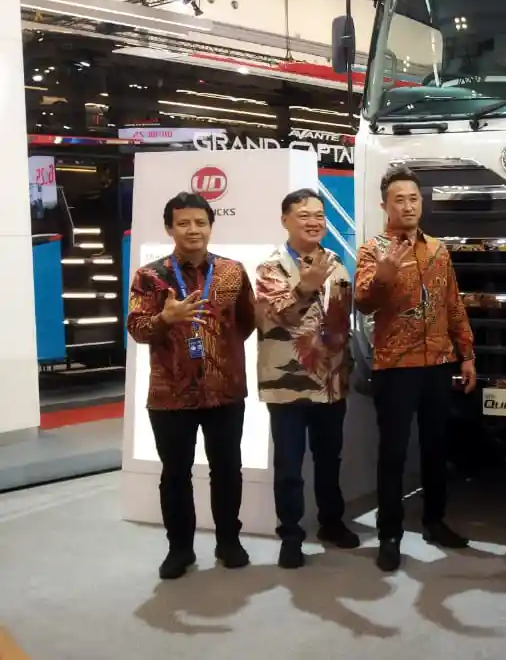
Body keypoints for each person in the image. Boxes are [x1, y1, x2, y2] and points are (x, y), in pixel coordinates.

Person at [125, 192, 257, 580]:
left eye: (200, 222)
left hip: (225, 390)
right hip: (170, 394)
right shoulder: (150, 276)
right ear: (170, 228)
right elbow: (136, 329)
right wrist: (164, 320)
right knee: (175, 474)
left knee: (227, 469)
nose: (193, 230)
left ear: (211, 226)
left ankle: (228, 542)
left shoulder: (232, 271)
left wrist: (220, 352)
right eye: (183, 223)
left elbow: (247, 322)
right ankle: (179, 549)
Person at [354, 167, 477, 572]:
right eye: (399, 200)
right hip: (395, 366)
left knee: (437, 447)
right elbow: (363, 303)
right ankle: (389, 534)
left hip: (438, 363)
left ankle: (434, 521)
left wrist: (467, 353)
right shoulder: (373, 251)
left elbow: (453, 304)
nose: (407, 206)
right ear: (385, 205)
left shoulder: (438, 251)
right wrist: (382, 279)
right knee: (392, 452)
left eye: (413, 199)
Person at [255, 189, 359, 569]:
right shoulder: (270, 268)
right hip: (288, 385)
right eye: (303, 215)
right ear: (285, 220)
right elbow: (278, 316)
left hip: (331, 383)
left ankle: (331, 523)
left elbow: (342, 320)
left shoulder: (337, 263)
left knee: (329, 460)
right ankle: (291, 536)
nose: (313, 222)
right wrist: (306, 286)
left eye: (318, 215)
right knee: (289, 467)